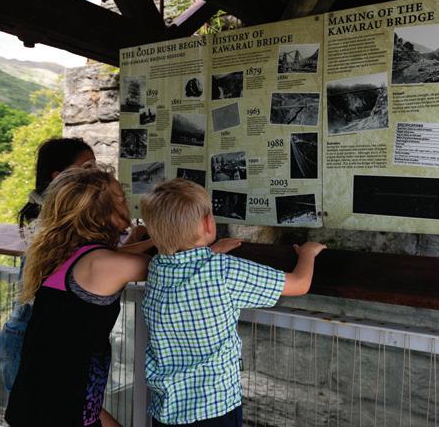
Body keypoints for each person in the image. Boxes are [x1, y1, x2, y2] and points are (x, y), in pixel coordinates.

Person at [140, 178, 326, 427]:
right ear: (208, 223)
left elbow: (188, 267)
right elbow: (300, 283)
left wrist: (212, 251)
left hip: (167, 409)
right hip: (214, 406)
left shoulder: (157, 269)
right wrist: (308, 253)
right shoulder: (224, 271)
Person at [5, 164, 153, 427]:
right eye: (121, 199)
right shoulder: (101, 264)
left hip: (49, 401)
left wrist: (142, 240)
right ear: (100, 213)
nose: (127, 204)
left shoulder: (68, 254)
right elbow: (172, 266)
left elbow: (117, 258)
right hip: (59, 413)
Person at [0, 137, 95, 392]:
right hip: (29, 338)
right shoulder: (50, 225)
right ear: (59, 176)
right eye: (87, 167)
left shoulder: (59, 221)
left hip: (35, 336)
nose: (95, 175)